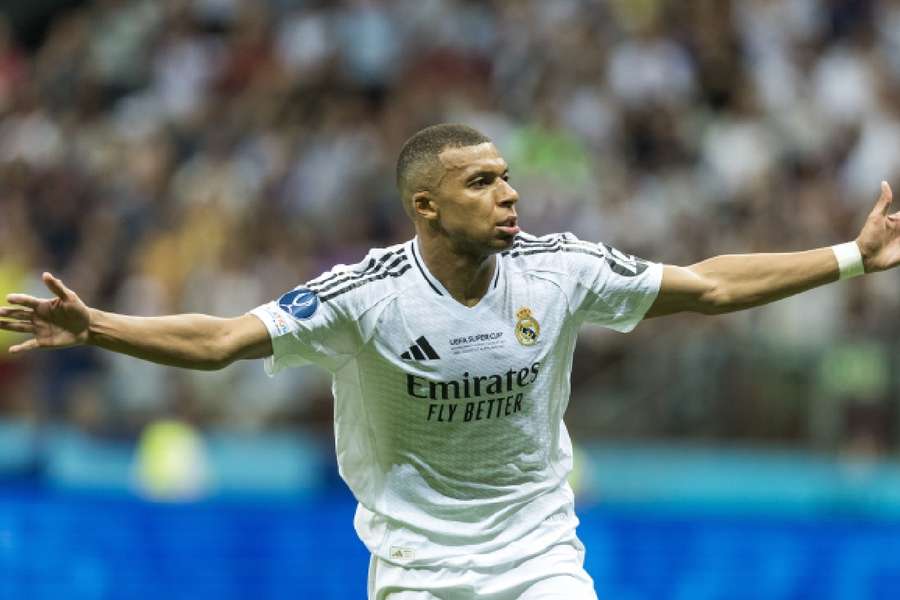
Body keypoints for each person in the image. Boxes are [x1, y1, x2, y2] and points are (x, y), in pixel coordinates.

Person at [2, 123, 899, 599]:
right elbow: (223, 340)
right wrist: (99, 327)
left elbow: (706, 285)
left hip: (539, 554)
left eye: (508, 176)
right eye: (482, 182)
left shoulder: (560, 271)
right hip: (416, 569)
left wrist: (851, 256)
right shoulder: (364, 296)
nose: (509, 192)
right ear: (426, 206)